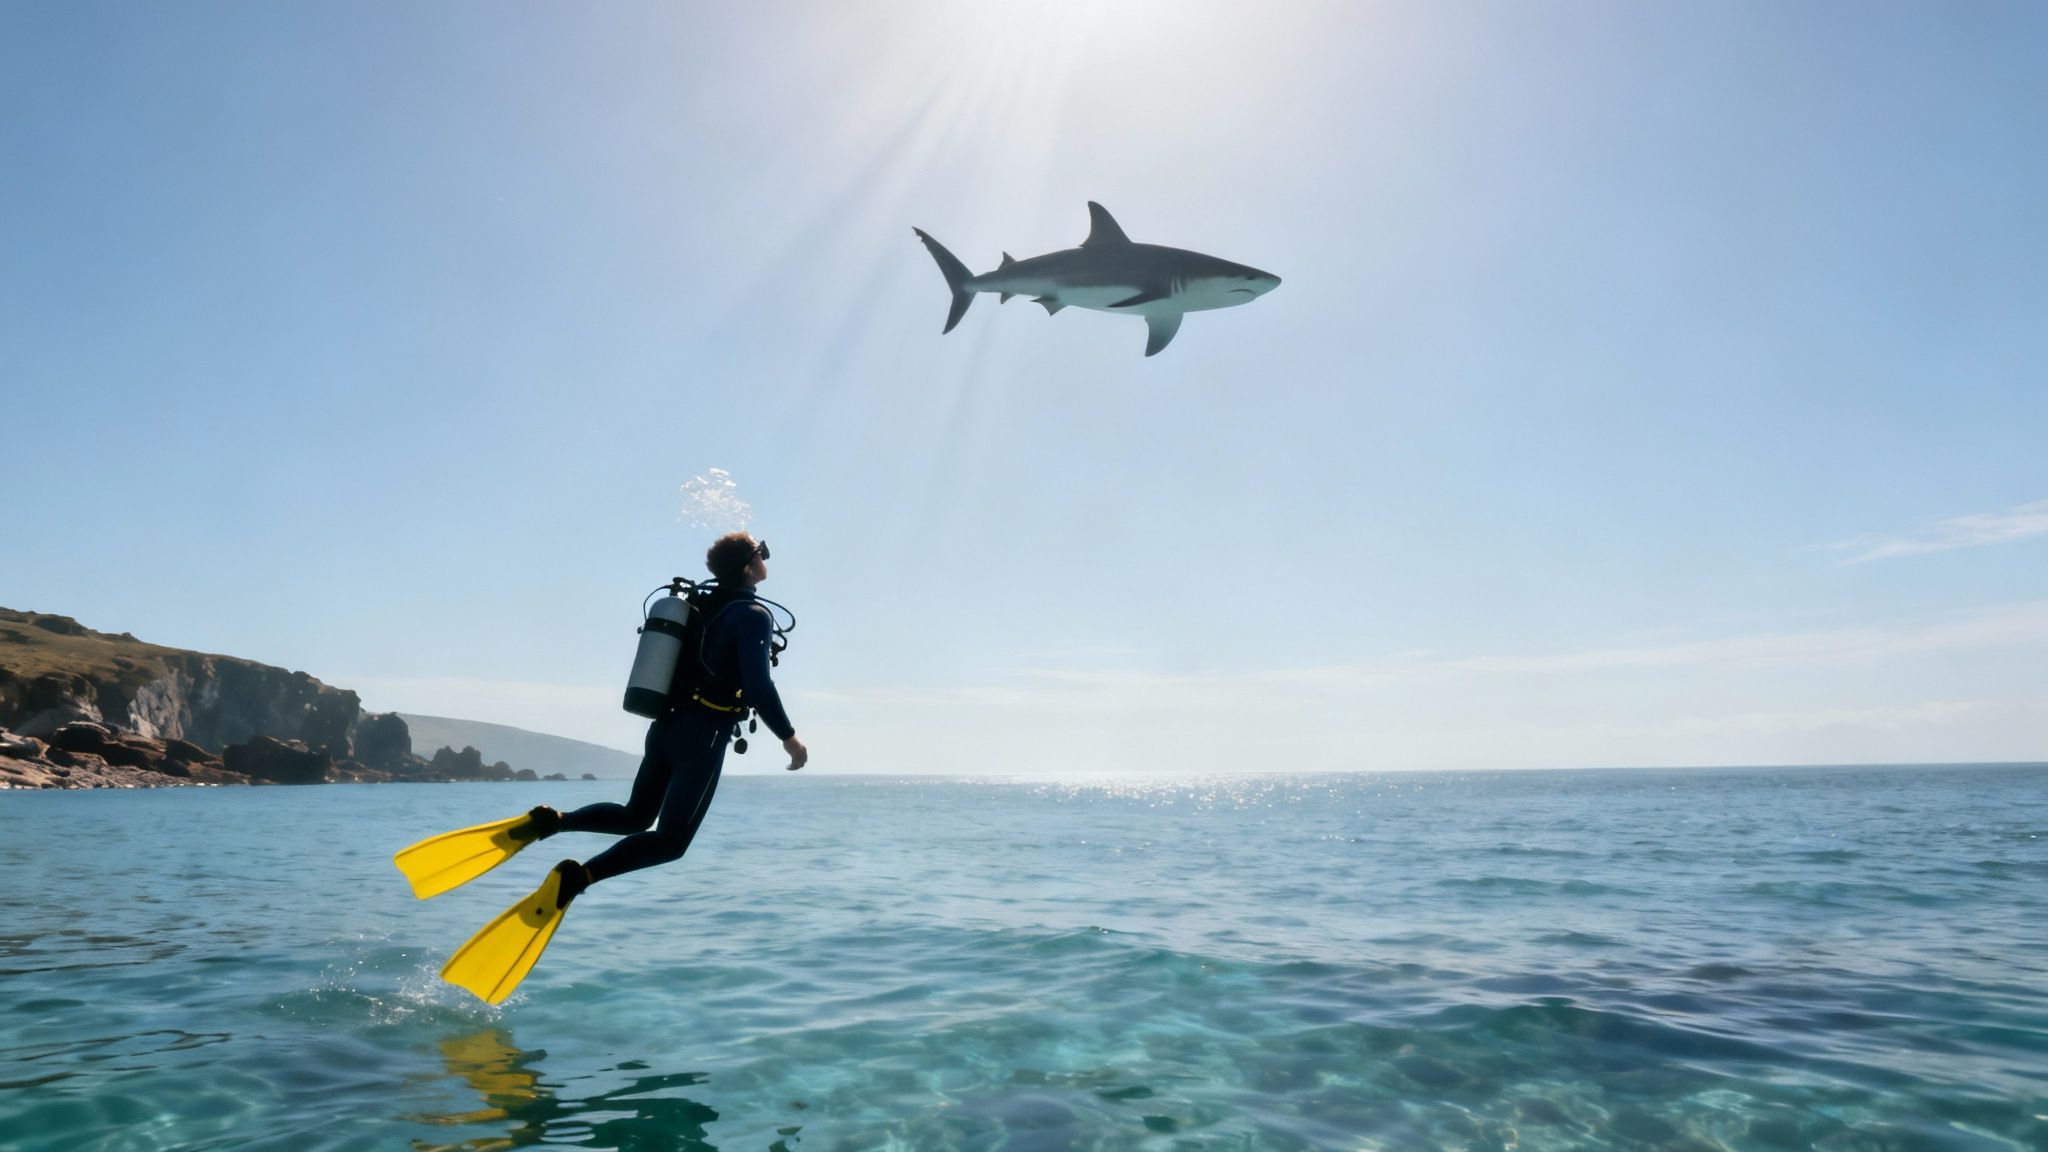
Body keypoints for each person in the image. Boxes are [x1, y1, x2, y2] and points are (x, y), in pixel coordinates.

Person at [395, 532, 806, 1003]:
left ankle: (554, 821)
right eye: (763, 554)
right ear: (749, 567)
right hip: (703, 735)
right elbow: (757, 685)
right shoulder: (752, 614)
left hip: (666, 729)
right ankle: (578, 877)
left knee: (636, 815)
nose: (767, 561)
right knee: (670, 842)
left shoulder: (700, 606)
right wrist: (789, 738)